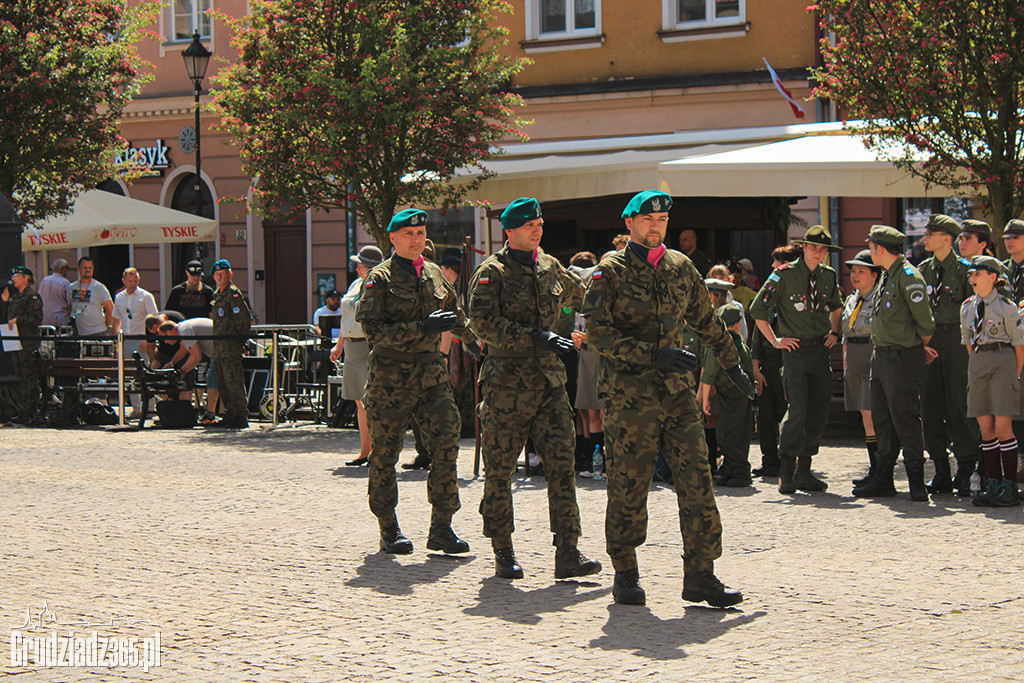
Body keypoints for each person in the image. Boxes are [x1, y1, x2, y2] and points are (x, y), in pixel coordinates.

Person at [583, 190, 751, 608]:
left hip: (677, 396)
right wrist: (652, 355)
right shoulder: (610, 272)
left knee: (697, 480)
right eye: (647, 220)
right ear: (630, 224)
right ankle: (625, 571)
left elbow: (707, 321)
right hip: (630, 397)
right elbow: (598, 334)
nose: (656, 226)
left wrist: (734, 365)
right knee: (628, 484)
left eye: (662, 220)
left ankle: (700, 575)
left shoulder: (680, 266)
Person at [469, 197, 601, 580]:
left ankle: (568, 551)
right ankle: (502, 549)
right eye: (529, 225)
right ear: (509, 231)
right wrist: (536, 336)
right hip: (506, 385)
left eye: (540, 224)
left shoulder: (550, 266)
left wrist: (598, 321)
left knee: (563, 467)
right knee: (500, 470)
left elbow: (584, 296)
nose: (537, 230)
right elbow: (482, 322)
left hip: (549, 384)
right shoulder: (492, 271)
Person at [355, 209, 478, 556]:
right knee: (386, 453)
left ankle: (442, 527)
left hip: (430, 376)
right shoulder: (378, 279)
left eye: (421, 233)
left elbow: (452, 313)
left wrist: (469, 337)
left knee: (447, 443)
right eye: (408, 233)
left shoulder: (435, 273)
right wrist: (421, 328)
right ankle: (388, 527)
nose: (416, 239)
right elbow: (374, 332)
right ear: (393, 239)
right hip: (390, 379)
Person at [750, 225, 843, 494]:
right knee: (798, 411)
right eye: (814, 247)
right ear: (803, 247)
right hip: (795, 352)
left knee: (817, 412)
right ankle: (786, 469)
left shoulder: (828, 275)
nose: (819, 253)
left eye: (824, 249)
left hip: (819, 352)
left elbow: (837, 306)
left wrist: (835, 331)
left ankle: (805, 470)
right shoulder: (784, 275)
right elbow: (759, 309)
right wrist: (775, 340)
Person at [853, 225, 935, 501]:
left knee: (905, 417)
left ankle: (916, 481)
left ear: (881, 248)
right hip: (882, 355)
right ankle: (884, 479)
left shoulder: (909, 277)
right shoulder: (889, 275)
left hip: (902, 356)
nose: (870, 250)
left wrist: (916, 348)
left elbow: (925, 323)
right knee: (883, 418)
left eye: (872, 246)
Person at [918, 214, 978, 495]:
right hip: (929, 339)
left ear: (947, 239)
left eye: (931, 233)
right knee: (929, 405)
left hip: (957, 337)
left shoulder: (966, 270)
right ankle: (941, 468)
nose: (924, 238)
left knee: (959, 404)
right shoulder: (921, 271)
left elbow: (975, 311)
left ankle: (966, 466)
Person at [960, 255, 1024, 507]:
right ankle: (993, 482)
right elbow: (967, 342)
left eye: (978, 274)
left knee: (1002, 427)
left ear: (993, 277)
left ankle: (1010, 485)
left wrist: (1014, 375)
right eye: (971, 274)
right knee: (985, 429)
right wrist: (977, 364)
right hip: (979, 362)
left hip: (1003, 361)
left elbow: (1020, 347)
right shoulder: (967, 306)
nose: (972, 278)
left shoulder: (1007, 308)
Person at [331, 245, 384, 467]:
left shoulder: (378, 285)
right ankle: (365, 450)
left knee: (371, 401)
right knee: (359, 402)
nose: (357, 267)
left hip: (367, 345)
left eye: (360, 264)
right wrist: (339, 345)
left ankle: (377, 451)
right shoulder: (356, 284)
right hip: (352, 346)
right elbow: (347, 317)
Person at [749, 245, 799, 478]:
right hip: (767, 366)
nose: (772, 267)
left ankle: (790, 460)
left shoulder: (794, 294)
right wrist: (755, 367)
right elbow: (758, 334)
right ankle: (769, 460)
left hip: (787, 363)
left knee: (788, 414)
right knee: (766, 416)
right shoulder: (767, 295)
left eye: (776, 262)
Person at [700, 305, 755, 488]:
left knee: (727, 435)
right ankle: (731, 469)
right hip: (736, 393)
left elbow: (709, 373)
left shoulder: (722, 343)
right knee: (734, 433)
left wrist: (705, 399)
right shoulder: (737, 341)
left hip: (733, 393)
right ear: (738, 324)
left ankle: (741, 471)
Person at [841, 250, 882, 487]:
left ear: (874, 275)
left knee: (871, 414)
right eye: (853, 271)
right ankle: (874, 468)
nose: (855, 276)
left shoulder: (880, 299)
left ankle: (880, 469)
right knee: (865, 416)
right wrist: (847, 366)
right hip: (855, 358)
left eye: (861, 271)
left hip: (871, 355)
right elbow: (846, 335)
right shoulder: (852, 299)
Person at [209, 259, 252, 429]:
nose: (220, 277)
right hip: (219, 348)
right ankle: (230, 413)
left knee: (233, 381)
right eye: (217, 274)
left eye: (223, 274)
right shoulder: (218, 295)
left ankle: (240, 415)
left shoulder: (233, 294)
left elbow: (242, 321)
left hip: (230, 346)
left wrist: (240, 341)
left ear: (230, 275)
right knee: (223, 382)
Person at [111, 267, 159, 417]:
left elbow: (154, 319)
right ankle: (136, 408)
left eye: (135, 281)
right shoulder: (119, 297)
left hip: (141, 337)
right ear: (124, 281)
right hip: (126, 339)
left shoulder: (146, 296)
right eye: (130, 281)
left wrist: (148, 338)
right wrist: (115, 340)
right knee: (130, 375)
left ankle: (149, 406)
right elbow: (117, 319)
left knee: (145, 373)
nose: (132, 284)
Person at [2, 266, 43, 424]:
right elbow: (6, 317)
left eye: (17, 276)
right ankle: (23, 409)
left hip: (27, 341)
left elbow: (37, 318)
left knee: (29, 376)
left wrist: (19, 320)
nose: (14, 278)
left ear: (26, 278)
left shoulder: (32, 297)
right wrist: (5, 302)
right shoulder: (14, 297)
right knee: (20, 376)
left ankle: (31, 410)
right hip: (14, 339)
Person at [157, 317, 219, 421]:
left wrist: (182, 371)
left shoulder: (184, 330)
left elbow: (196, 357)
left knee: (214, 380)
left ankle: (212, 415)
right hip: (219, 352)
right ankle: (212, 414)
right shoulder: (183, 327)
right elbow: (184, 349)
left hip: (223, 352)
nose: (166, 342)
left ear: (169, 332)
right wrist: (171, 363)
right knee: (212, 380)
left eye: (165, 338)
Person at [68, 256, 113, 337]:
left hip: (98, 332)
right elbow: (69, 306)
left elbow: (110, 309)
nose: (88, 270)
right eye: (85, 268)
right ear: (79, 269)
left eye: (90, 268)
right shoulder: (71, 287)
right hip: (79, 332)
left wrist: (105, 326)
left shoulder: (99, 287)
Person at [37, 258, 71, 328]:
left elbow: (39, 297)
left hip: (45, 319)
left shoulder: (44, 280)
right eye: (66, 268)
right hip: (61, 319)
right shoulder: (65, 282)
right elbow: (69, 302)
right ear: (62, 269)